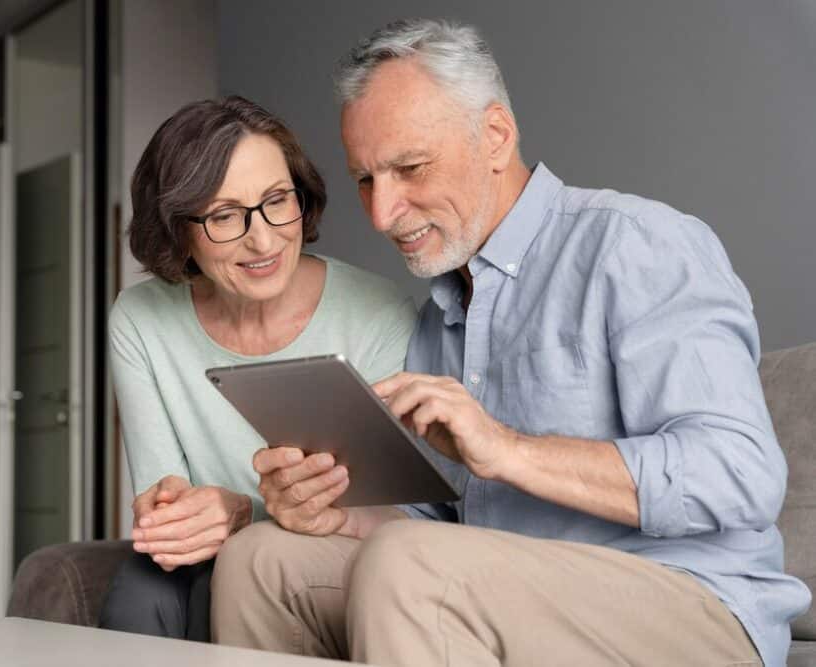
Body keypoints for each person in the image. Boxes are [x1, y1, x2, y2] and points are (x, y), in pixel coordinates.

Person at [209, 19, 811, 667]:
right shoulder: (441, 317)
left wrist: (507, 449)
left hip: (696, 607)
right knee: (260, 557)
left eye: (409, 167)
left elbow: (740, 474)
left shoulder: (636, 244)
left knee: (412, 566)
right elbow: (444, 529)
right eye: (365, 179)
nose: (382, 214)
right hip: (518, 591)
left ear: (494, 136)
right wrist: (336, 515)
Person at [98, 96, 416, 641]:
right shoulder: (141, 317)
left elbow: (399, 516)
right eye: (224, 215)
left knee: (230, 574)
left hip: (332, 552)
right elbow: (163, 494)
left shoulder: (378, 314)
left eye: (276, 201)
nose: (264, 239)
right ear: (178, 229)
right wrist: (170, 508)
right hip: (204, 561)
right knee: (144, 582)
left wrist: (245, 513)